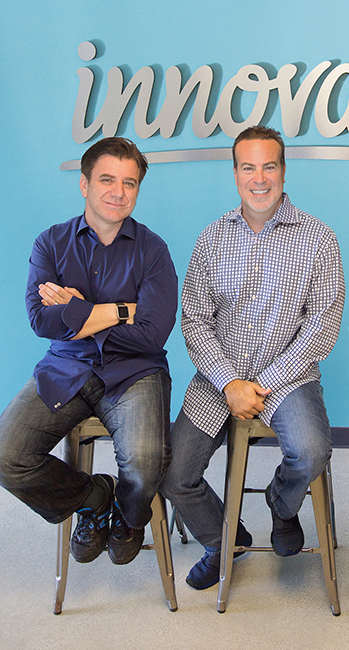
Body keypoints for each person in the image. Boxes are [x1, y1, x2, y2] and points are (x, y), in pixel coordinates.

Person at [161, 125, 344, 590]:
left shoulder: (319, 238)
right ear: (235, 173)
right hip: (218, 377)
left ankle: (281, 505)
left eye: (269, 167)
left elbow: (322, 327)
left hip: (288, 377)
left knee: (311, 451)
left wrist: (262, 383)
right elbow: (194, 320)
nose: (259, 178)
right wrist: (229, 382)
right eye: (248, 168)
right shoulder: (211, 238)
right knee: (174, 474)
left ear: (283, 171)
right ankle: (225, 540)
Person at [0, 137, 178, 567]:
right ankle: (94, 497)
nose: (119, 192)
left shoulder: (153, 250)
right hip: (67, 367)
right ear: (84, 184)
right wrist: (119, 311)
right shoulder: (50, 243)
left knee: (146, 460)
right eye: (107, 180)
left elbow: (152, 335)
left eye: (129, 183)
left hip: (136, 372)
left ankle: (130, 516)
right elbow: (41, 321)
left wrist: (77, 312)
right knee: (6, 455)